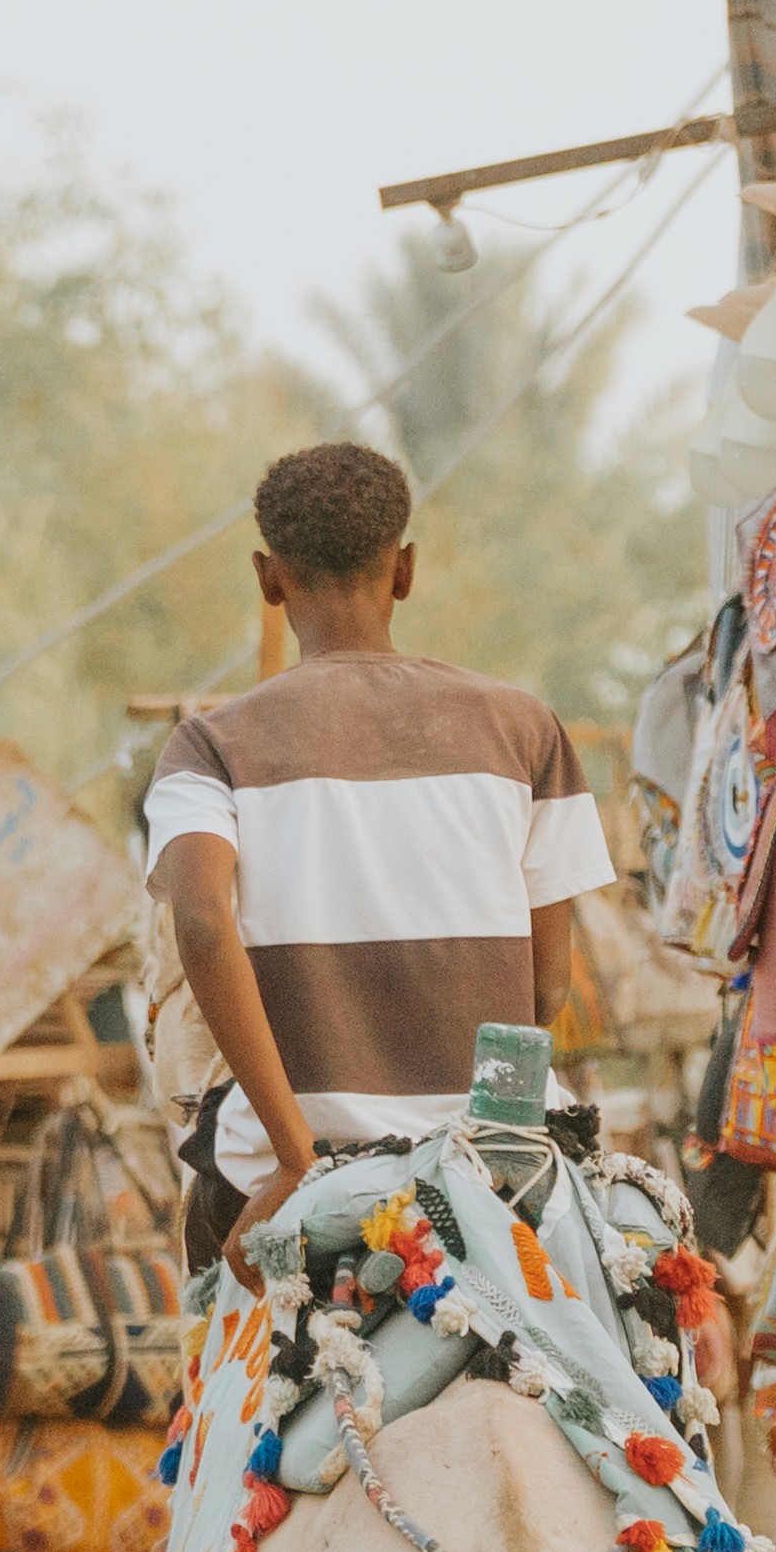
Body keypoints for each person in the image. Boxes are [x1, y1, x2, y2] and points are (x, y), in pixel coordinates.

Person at [136, 438, 617, 1280]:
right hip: (496, 1167)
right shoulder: (525, 730)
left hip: (298, 1181)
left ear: (268, 576)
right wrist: (483, 1149)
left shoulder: (208, 746)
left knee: (216, 1389)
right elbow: (545, 989)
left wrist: (293, 1162)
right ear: (405, 569)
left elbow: (203, 925)